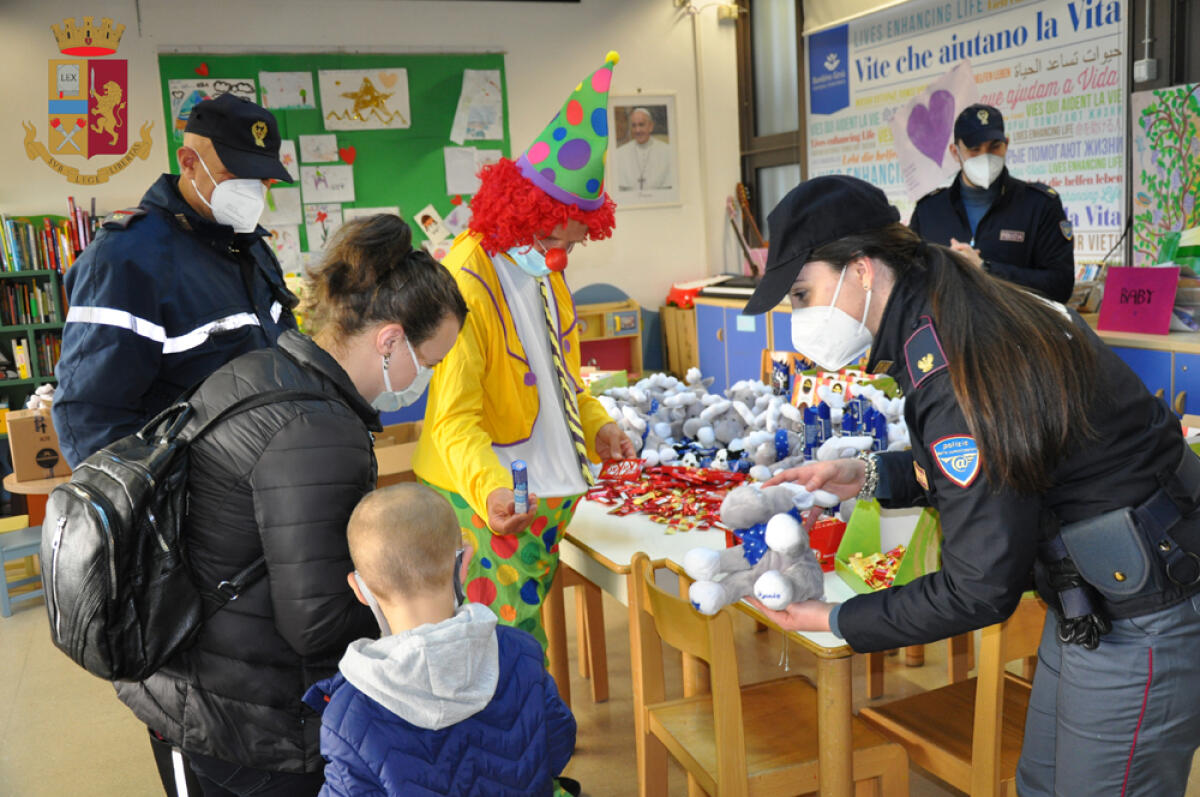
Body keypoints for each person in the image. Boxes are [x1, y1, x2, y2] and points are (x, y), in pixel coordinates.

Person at [742, 174, 1200, 797]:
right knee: (1042, 783)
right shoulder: (946, 305)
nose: (799, 317)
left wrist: (840, 618)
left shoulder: (955, 356)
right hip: (1099, 594)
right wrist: (869, 474)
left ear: (861, 269)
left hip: (1146, 606)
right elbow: (1003, 465)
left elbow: (980, 587)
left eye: (801, 293)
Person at [114, 214, 468, 797]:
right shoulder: (318, 430)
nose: (427, 376)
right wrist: (429, 584)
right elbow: (319, 623)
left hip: (199, 674)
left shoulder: (263, 368)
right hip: (235, 720)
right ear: (389, 340)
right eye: (428, 361)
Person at [413, 51, 635, 653]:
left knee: (520, 638)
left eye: (571, 243)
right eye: (548, 238)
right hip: (489, 499)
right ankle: (520, 745)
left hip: (548, 491)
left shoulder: (543, 271)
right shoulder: (464, 281)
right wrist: (491, 490)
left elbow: (563, 381)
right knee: (503, 646)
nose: (559, 255)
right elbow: (453, 418)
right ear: (516, 213)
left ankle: (528, 737)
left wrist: (599, 426)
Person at [54, 93, 299, 468]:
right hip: (190, 496)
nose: (253, 191)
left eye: (261, 178)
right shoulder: (126, 259)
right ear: (189, 163)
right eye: (236, 175)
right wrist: (143, 510)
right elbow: (91, 416)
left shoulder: (250, 246)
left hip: (267, 475)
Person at [303, 483, 578, 797]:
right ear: (462, 566)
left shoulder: (347, 716)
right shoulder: (521, 652)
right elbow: (558, 746)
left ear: (359, 589)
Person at [908, 103, 1075, 303]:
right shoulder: (929, 211)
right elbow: (907, 283)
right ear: (955, 152)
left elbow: (1061, 285)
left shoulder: (1039, 205)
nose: (985, 157)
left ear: (1006, 144)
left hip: (1013, 331)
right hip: (944, 332)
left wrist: (985, 270)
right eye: (974, 149)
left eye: (994, 146)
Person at [614, 106, 674, 192]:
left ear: (651, 126)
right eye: (634, 126)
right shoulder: (619, 153)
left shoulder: (667, 152)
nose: (637, 130)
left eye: (641, 125)